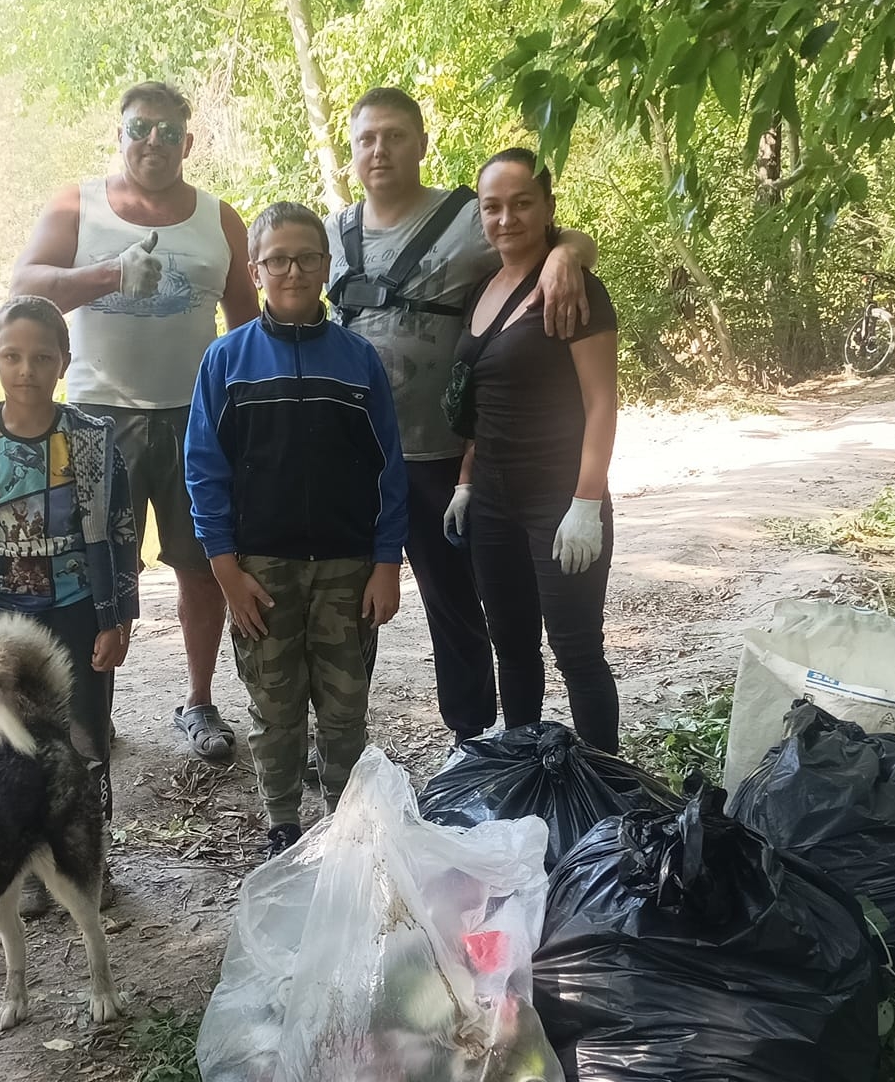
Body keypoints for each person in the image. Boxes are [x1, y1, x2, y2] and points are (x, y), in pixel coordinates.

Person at [325, 87, 597, 747]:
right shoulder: (334, 232)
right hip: (369, 461)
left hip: (455, 456)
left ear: (422, 143)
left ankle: (524, 741)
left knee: (492, 607)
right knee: (402, 610)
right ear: (352, 152)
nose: (380, 150)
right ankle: (451, 738)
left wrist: (565, 257)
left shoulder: (468, 215)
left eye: (395, 135)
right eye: (367, 139)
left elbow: (555, 235)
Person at [11, 82, 258, 764]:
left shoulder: (220, 219)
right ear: (120, 133)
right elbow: (24, 286)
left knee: (202, 567)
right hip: (95, 417)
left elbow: (247, 324)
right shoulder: (77, 203)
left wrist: (246, 418)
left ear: (188, 140)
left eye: (167, 130)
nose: (152, 140)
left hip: (195, 419)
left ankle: (200, 700)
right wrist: (109, 275)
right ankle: (94, 714)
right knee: (96, 573)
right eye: (139, 127)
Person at [184, 201, 406, 858]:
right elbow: (204, 469)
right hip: (261, 574)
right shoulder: (227, 361)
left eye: (307, 257)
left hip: (348, 570)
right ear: (255, 270)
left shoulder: (358, 361)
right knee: (274, 708)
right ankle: (282, 823)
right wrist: (226, 569)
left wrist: (388, 561)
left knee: (343, 711)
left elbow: (390, 467)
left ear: (326, 265)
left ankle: (345, 825)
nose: (292, 270)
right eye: (277, 259)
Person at [0, 296, 139, 908]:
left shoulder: (94, 444)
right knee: (9, 744)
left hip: (76, 608)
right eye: (12, 355)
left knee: (84, 742)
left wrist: (116, 617)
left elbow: (123, 537)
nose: (27, 369)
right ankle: (24, 869)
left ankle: (89, 862)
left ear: (65, 362)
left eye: (43, 356)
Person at [447, 150, 620, 750]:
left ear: (548, 206)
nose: (507, 218)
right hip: (493, 501)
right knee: (513, 649)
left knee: (576, 650)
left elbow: (602, 403)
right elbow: (482, 394)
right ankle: (522, 772)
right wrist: (467, 479)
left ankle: (606, 793)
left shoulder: (574, 285)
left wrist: (587, 503)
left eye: (522, 203)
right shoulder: (481, 289)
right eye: (492, 206)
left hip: (559, 498)